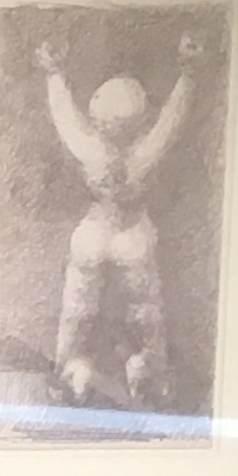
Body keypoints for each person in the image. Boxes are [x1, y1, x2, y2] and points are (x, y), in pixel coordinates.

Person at [36, 28, 202, 407]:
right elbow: (171, 120)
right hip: (131, 234)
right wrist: (189, 74)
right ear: (138, 118)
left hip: (94, 232)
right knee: (146, 311)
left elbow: (64, 116)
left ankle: (67, 370)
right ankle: (152, 372)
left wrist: (54, 73)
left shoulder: (90, 149)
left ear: (98, 114)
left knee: (76, 308)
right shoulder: (144, 153)